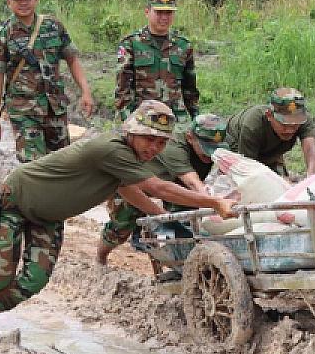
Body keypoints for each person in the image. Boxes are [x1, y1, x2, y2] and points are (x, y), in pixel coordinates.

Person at [0, 101, 235, 347]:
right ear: (132, 131)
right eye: (149, 139)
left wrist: (160, 218)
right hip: (16, 202)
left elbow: (128, 189)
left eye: (161, 143)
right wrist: (214, 203)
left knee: (34, 280)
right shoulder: (111, 148)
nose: (154, 147)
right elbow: (157, 187)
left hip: (48, 217)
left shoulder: (128, 157)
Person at [0, 0, 94, 163]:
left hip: (55, 109)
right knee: (33, 167)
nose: (23, 3)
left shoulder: (53, 26)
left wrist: (85, 92)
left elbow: (72, 59)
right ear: (8, 2)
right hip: (23, 111)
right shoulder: (1, 35)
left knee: (62, 164)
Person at [97, 113, 230, 265]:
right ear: (190, 137)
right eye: (206, 147)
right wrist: (216, 203)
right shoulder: (174, 146)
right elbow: (192, 183)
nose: (210, 154)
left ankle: (182, 265)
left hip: (173, 184)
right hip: (134, 181)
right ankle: (101, 259)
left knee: (183, 225)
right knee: (122, 225)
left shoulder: (209, 151)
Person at [115, 0, 199, 124]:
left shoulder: (183, 45)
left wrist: (196, 118)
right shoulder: (131, 44)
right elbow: (123, 90)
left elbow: (190, 90)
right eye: (159, 12)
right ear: (147, 11)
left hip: (175, 119)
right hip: (143, 119)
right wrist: (128, 121)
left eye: (169, 12)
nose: (164, 17)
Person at [224, 87, 315, 178]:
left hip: (270, 149)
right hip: (238, 145)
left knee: (281, 184)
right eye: (284, 124)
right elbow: (248, 169)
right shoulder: (252, 125)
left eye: (294, 125)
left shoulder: (302, 119)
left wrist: (311, 176)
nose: (290, 130)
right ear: (269, 115)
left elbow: (310, 149)